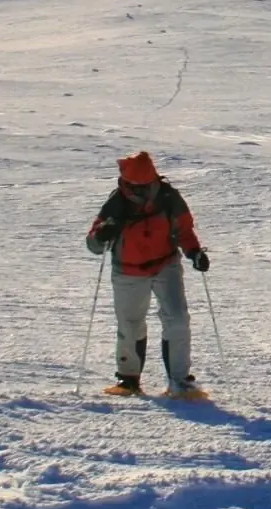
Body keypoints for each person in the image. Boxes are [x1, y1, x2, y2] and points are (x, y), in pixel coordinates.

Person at [85, 150, 210, 398]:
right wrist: (102, 234)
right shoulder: (116, 202)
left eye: (147, 185)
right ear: (127, 183)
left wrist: (194, 252)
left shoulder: (168, 197)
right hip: (127, 270)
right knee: (130, 324)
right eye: (137, 186)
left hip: (166, 266)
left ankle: (180, 381)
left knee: (177, 320)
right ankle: (128, 379)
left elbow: (184, 229)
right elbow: (93, 244)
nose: (143, 191)